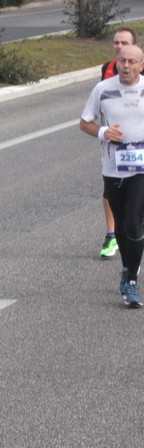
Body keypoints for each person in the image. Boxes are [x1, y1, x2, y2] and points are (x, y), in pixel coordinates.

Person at [80, 44, 144, 308]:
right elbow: (84, 122)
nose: (125, 65)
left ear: (141, 64)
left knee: (133, 221)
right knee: (120, 223)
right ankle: (127, 269)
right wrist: (103, 132)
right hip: (113, 168)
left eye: (131, 61)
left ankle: (131, 281)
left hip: (141, 168)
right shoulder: (102, 90)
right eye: (121, 61)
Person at [98, 27, 138, 258]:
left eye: (124, 43)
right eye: (116, 43)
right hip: (114, 143)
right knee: (110, 189)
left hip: (139, 140)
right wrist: (104, 131)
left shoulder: (140, 66)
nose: (119, 46)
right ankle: (111, 236)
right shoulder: (107, 69)